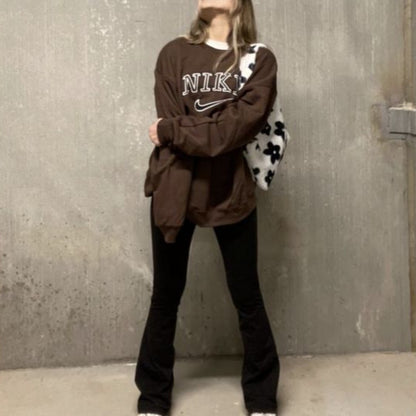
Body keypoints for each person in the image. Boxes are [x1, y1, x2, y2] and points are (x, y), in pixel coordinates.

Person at [134, 1, 280, 415]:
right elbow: (196, 123)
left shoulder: (258, 60)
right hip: (175, 185)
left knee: (246, 295)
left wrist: (173, 131)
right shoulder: (173, 54)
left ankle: (262, 398)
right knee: (165, 294)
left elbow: (236, 127)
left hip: (229, 190)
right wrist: (195, 129)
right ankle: (153, 397)